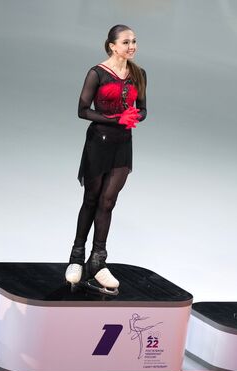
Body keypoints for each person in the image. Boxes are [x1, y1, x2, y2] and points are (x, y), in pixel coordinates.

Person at [65, 24, 147, 295]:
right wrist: (115, 118)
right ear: (112, 45)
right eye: (126, 42)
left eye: (134, 41)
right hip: (98, 144)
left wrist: (136, 116)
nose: (132, 46)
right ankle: (77, 258)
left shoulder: (139, 74)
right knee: (91, 198)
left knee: (108, 202)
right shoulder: (97, 73)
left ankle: (98, 261)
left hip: (123, 147)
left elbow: (143, 109)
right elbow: (82, 111)